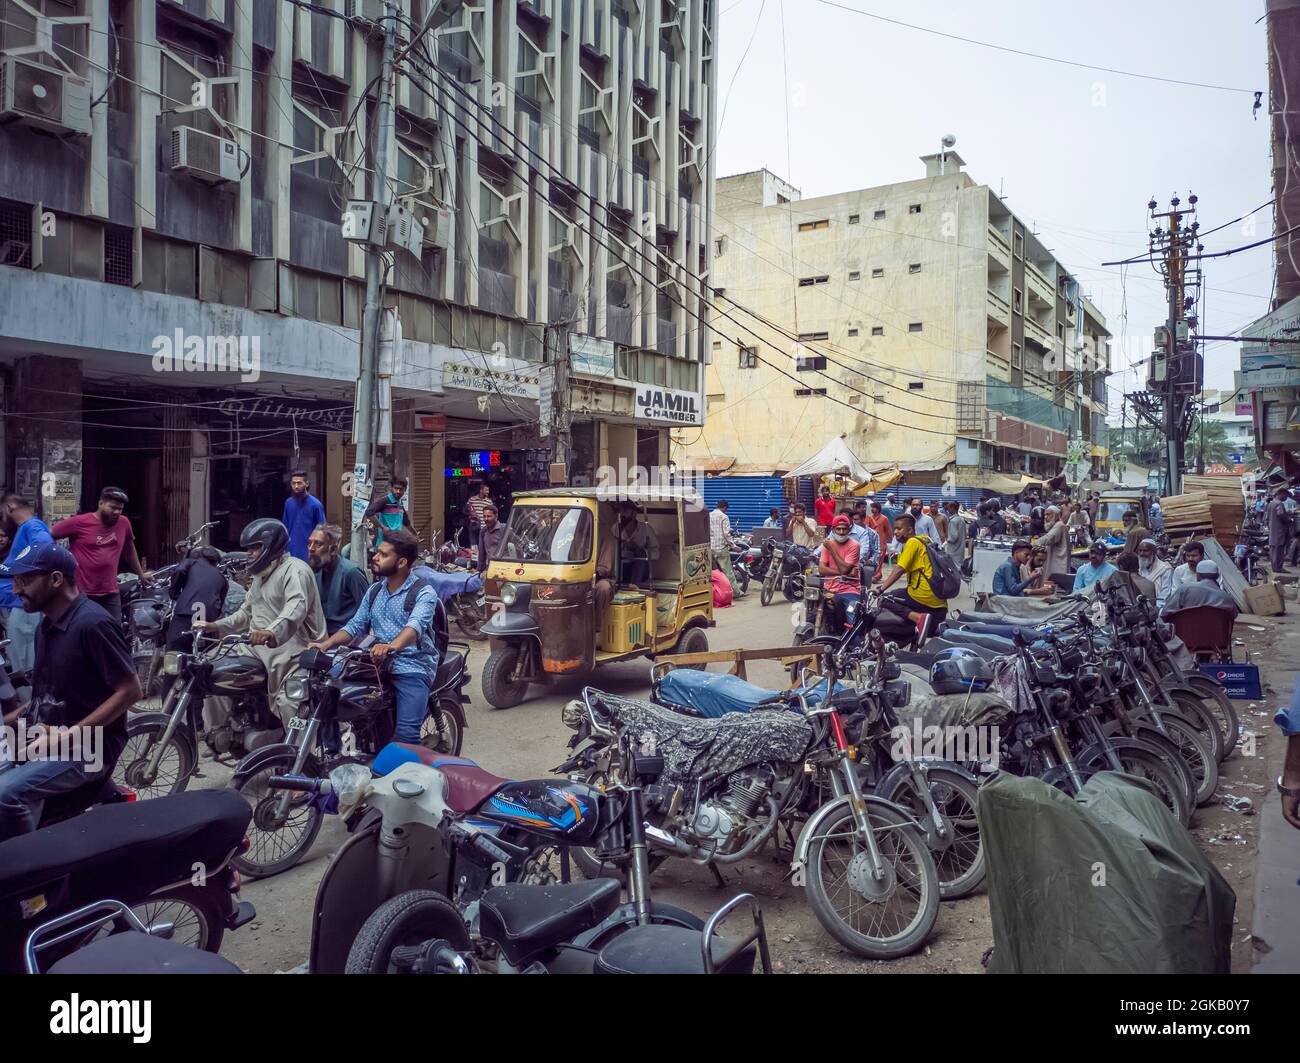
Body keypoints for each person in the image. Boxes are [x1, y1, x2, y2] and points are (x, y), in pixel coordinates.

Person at [0, 543, 140, 840]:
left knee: (5, 794)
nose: (15, 589)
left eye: (24, 580)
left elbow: (130, 691)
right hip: (46, 736)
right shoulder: (45, 627)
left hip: (88, 747)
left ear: (55, 579)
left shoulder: (94, 624)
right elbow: (48, 695)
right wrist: (9, 723)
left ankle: (31, 875)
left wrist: (68, 736)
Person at [307, 528, 440, 747]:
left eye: (383, 554)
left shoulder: (423, 592)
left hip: (411, 665)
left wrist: (390, 646)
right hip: (376, 664)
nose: (375, 557)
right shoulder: (375, 590)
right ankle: (332, 753)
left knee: (406, 737)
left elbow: (414, 627)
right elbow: (355, 625)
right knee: (326, 692)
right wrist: (326, 644)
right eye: (377, 552)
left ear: (402, 562)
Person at [193, 518, 326, 731]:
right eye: (248, 549)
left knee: (289, 703)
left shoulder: (295, 570)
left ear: (271, 547)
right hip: (257, 646)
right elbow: (246, 613)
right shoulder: (260, 576)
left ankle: (300, 754)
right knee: (210, 669)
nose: (250, 554)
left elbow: (295, 610)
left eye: (255, 548)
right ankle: (219, 732)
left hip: (293, 650)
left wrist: (270, 632)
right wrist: (214, 626)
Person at [51, 486, 149, 624]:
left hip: (110, 593)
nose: (116, 512)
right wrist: (57, 560)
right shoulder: (80, 522)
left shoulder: (124, 523)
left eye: (120, 509)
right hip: (82, 593)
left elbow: (129, 548)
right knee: (82, 631)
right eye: (113, 507)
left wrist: (141, 573)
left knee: (112, 633)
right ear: (101, 503)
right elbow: (49, 534)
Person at [0, 493, 52, 674]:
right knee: (17, 658)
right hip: (14, 604)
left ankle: (30, 701)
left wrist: (15, 570)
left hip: (23, 606)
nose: (4, 517)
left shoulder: (32, 525)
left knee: (24, 663)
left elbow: (44, 546)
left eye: (3, 511)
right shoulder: (25, 528)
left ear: (10, 507)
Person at [877, 513, 948, 643]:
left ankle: (918, 618)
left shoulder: (912, 543)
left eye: (899, 529)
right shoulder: (925, 539)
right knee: (899, 594)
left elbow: (899, 569)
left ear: (910, 530)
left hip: (924, 596)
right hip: (938, 598)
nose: (895, 532)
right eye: (895, 528)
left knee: (885, 599)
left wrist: (880, 589)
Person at [307, 523, 369, 636]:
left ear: (333, 550)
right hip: (322, 636)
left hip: (346, 639)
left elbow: (367, 612)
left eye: (318, 544)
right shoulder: (315, 571)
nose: (311, 549)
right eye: (309, 543)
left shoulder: (352, 572)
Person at [166, 546, 229, 649]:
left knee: (176, 652)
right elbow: (221, 601)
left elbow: (179, 570)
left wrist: (174, 593)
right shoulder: (221, 577)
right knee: (204, 654)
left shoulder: (191, 562)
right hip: (207, 620)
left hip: (186, 613)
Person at [819, 515, 862, 628]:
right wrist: (844, 572)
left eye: (844, 529)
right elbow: (821, 569)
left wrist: (832, 549)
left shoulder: (854, 545)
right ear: (833, 530)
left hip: (849, 589)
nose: (841, 532)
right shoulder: (827, 545)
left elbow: (844, 569)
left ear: (849, 529)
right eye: (838, 529)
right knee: (809, 614)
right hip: (829, 588)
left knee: (852, 621)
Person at [1162, 560, 1238, 617]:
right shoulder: (1227, 598)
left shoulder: (1185, 589)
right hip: (1216, 636)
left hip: (1186, 635)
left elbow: (1166, 613)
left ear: (1197, 576)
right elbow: (1233, 616)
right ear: (1217, 576)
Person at [282, 471, 326, 563]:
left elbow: (323, 532)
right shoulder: (288, 503)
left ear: (306, 483)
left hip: (309, 553)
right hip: (290, 553)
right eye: (293, 483)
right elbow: (285, 529)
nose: (296, 486)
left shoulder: (316, 505)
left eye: (299, 483)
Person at [615, 500, 659, 586]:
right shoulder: (615, 528)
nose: (622, 514)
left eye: (626, 510)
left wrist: (638, 549)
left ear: (634, 513)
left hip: (641, 570)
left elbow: (657, 554)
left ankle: (634, 587)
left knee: (640, 552)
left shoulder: (646, 529)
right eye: (621, 510)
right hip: (620, 569)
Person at [363, 477, 414, 547]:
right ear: (391, 488)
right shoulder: (385, 501)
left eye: (401, 489)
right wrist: (383, 527)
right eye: (396, 488)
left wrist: (415, 535)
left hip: (396, 543)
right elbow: (369, 512)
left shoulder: (400, 503)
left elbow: (406, 522)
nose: (398, 491)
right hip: (384, 543)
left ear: (405, 490)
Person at [1136, 538, 1174, 611]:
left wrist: (1157, 607)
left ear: (1154, 552)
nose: (1141, 553)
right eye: (1140, 550)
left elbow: (1166, 592)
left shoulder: (1165, 569)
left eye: (1145, 551)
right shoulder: (1137, 567)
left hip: (1158, 608)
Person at [709, 500, 738, 591]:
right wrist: (734, 546)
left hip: (711, 548)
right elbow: (726, 534)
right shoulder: (724, 517)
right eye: (726, 509)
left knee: (714, 572)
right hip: (721, 548)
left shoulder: (709, 515)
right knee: (728, 572)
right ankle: (735, 592)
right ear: (724, 507)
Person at [847, 507, 881, 582]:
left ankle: (865, 590)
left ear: (863, 519)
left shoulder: (873, 534)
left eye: (856, 520)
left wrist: (871, 561)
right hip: (848, 561)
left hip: (865, 563)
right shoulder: (847, 531)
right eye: (852, 519)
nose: (853, 522)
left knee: (867, 570)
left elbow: (877, 551)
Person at [1036, 505, 1070, 579]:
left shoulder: (1059, 526)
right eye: (1045, 515)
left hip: (1058, 564)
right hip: (1056, 561)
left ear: (1056, 515)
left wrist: (1035, 543)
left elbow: (1048, 539)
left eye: (1048, 514)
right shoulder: (1057, 526)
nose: (1045, 517)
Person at [1269, 486, 1292, 575]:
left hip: (1273, 530)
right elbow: (1281, 514)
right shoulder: (1279, 504)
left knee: (1274, 550)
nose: (1286, 498)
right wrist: (1289, 519)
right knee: (1279, 550)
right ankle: (1278, 568)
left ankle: (1275, 567)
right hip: (1279, 531)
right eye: (1285, 495)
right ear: (1280, 494)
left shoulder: (1271, 503)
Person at [941, 500, 966, 571]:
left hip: (953, 550)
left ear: (952, 507)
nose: (947, 509)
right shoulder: (961, 519)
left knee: (953, 568)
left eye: (948, 507)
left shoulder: (953, 521)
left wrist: (945, 542)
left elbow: (953, 538)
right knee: (959, 566)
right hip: (960, 549)